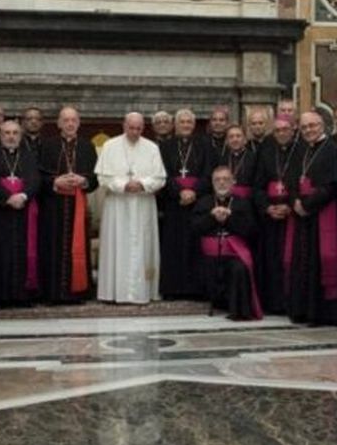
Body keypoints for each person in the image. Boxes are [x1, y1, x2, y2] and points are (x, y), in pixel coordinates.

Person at [95, 112, 167, 304]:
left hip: (143, 204)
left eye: (138, 128)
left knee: (142, 246)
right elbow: (102, 177)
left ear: (143, 128)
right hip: (117, 205)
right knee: (117, 245)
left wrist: (142, 184)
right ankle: (114, 292)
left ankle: (142, 292)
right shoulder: (110, 146)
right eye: (131, 128)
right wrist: (123, 185)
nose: (134, 132)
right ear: (124, 125)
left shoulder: (152, 148)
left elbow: (160, 178)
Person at [286, 111, 337, 325]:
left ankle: (317, 313)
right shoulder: (301, 149)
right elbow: (292, 180)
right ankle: (300, 309)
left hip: (320, 215)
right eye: (305, 127)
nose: (309, 130)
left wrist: (307, 205)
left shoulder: (332, 149)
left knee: (318, 263)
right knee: (301, 262)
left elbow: (331, 185)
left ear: (322, 126)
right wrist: (295, 202)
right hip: (301, 216)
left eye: (313, 126)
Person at [39, 107, 98, 303]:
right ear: (58, 124)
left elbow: (95, 179)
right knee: (53, 247)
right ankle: (53, 292)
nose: (70, 124)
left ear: (79, 123)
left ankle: (78, 292)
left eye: (73, 120)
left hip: (78, 206)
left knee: (79, 247)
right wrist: (55, 182)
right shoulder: (47, 145)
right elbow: (39, 176)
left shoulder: (87, 146)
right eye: (66, 120)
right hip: (53, 207)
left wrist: (83, 181)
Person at [194, 165, 262, 320]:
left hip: (234, 253)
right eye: (217, 180)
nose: (222, 183)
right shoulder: (204, 202)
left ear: (233, 182)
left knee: (238, 268)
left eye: (226, 179)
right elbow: (195, 228)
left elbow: (251, 230)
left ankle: (239, 311)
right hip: (209, 255)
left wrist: (230, 219)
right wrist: (211, 217)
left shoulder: (243, 203)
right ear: (212, 183)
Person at [0, 120, 41, 304]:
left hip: (23, 211)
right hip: (0, 212)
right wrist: (8, 198)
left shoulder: (29, 156)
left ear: (20, 136)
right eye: (7, 133)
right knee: (0, 252)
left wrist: (23, 196)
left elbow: (35, 180)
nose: (11, 136)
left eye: (15, 133)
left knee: (22, 251)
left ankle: (22, 295)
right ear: (0, 136)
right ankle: (0, 295)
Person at [160, 108, 209, 299]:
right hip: (174, 203)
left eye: (189, 122)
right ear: (175, 125)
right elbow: (161, 174)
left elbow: (208, 174)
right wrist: (179, 191)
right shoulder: (165, 147)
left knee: (195, 246)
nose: (186, 125)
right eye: (182, 122)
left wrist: (194, 192)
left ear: (194, 125)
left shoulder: (204, 145)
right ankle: (172, 289)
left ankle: (195, 289)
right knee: (173, 246)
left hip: (197, 204)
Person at [255, 117, 299, 314]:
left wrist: (289, 206)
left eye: (285, 129)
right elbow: (257, 186)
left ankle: (290, 301)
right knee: (271, 259)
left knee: (292, 259)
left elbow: (305, 185)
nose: (282, 133)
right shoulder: (266, 152)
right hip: (270, 216)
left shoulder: (301, 151)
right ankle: (272, 302)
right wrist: (267, 207)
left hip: (293, 216)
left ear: (293, 130)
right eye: (278, 130)